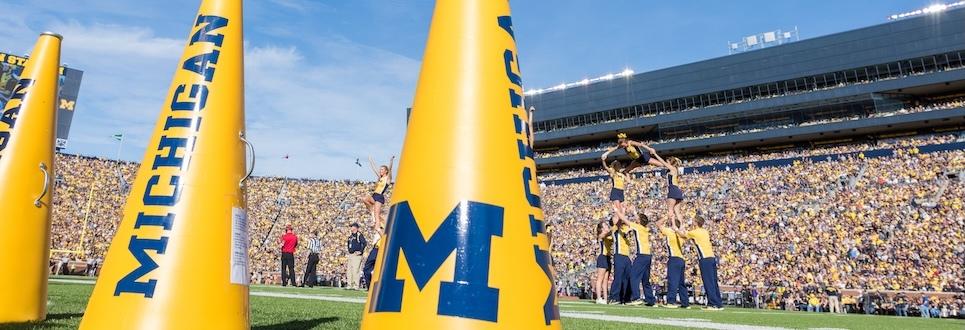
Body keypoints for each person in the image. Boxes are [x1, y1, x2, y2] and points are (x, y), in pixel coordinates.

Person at [677, 216, 723, 310]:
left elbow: (683, 235)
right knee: (713, 282)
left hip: (704, 259)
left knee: (708, 282)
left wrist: (676, 229)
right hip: (711, 257)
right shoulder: (704, 231)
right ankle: (718, 303)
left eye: (693, 221)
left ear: (695, 223)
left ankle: (712, 304)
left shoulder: (695, 232)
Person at [622, 211, 655, 306]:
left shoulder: (638, 227)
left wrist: (618, 211)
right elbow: (639, 219)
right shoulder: (645, 228)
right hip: (648, 255)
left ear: (639, 221)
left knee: (633, 276)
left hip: (641, 255)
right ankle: (650, 300)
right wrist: (635, 212)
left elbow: (625, 220)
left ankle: (636, 297)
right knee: (645, 279)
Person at [659, 216, 689, 308]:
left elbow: (658, 224)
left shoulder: (670, 232)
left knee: (672, 281)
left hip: (674, 259)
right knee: (681, 283)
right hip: (681, 259)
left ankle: (671, 301)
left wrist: (667, 216)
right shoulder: (681, 234)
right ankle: (685, 303)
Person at [361, 156, 395, 225]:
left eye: (382, 170)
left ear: (386, 171)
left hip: (379, 197)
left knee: (377, 215)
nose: (380, 171)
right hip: (374, 196)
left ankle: (378, 226)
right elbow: (374, 169)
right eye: (380, 169)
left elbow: (390, 169)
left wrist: (391, 161)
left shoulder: (387, 179)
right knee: (364, 199)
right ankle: (371, 211)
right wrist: (371, 161)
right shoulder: (380, 177)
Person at [608, 215, 632, 305]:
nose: (617, 217)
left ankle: (626, 298)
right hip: (619, 255)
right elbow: (619, 222)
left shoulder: (624, 228)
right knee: (618, 277)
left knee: (627, 278)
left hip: (627, 256)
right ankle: (614, 297)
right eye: (615, 217)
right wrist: (621, 212)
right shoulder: (614, 228)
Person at [594, 220, 613, 304]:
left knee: (606, 280)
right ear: (601, 228)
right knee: (600, 279)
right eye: (605, 225)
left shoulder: (608, 235)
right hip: (602, 257)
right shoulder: (601, 235)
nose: (607, 226)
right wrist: (614, 227)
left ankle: (605, 298)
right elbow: (607, 234)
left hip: (608, 257)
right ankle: (598, 298)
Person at [345, 223, 367, 290]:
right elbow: (349, 244)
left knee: (355, 270)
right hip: (351, 254)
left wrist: (361, 251)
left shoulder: (359, 235)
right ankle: (349, 284)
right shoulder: (350, 236)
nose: (351, 228)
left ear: (355, 228)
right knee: (349, 271)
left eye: (352, 226)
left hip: (356, 255)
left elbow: (364, 243)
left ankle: (356, 285)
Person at [363, 222, 384, 290]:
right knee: (366, 268)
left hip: (383, 249)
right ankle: (369, 287)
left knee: (381, 270)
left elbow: (385, 237)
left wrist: (378, 229)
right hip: (376, 248)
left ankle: (377, 287)